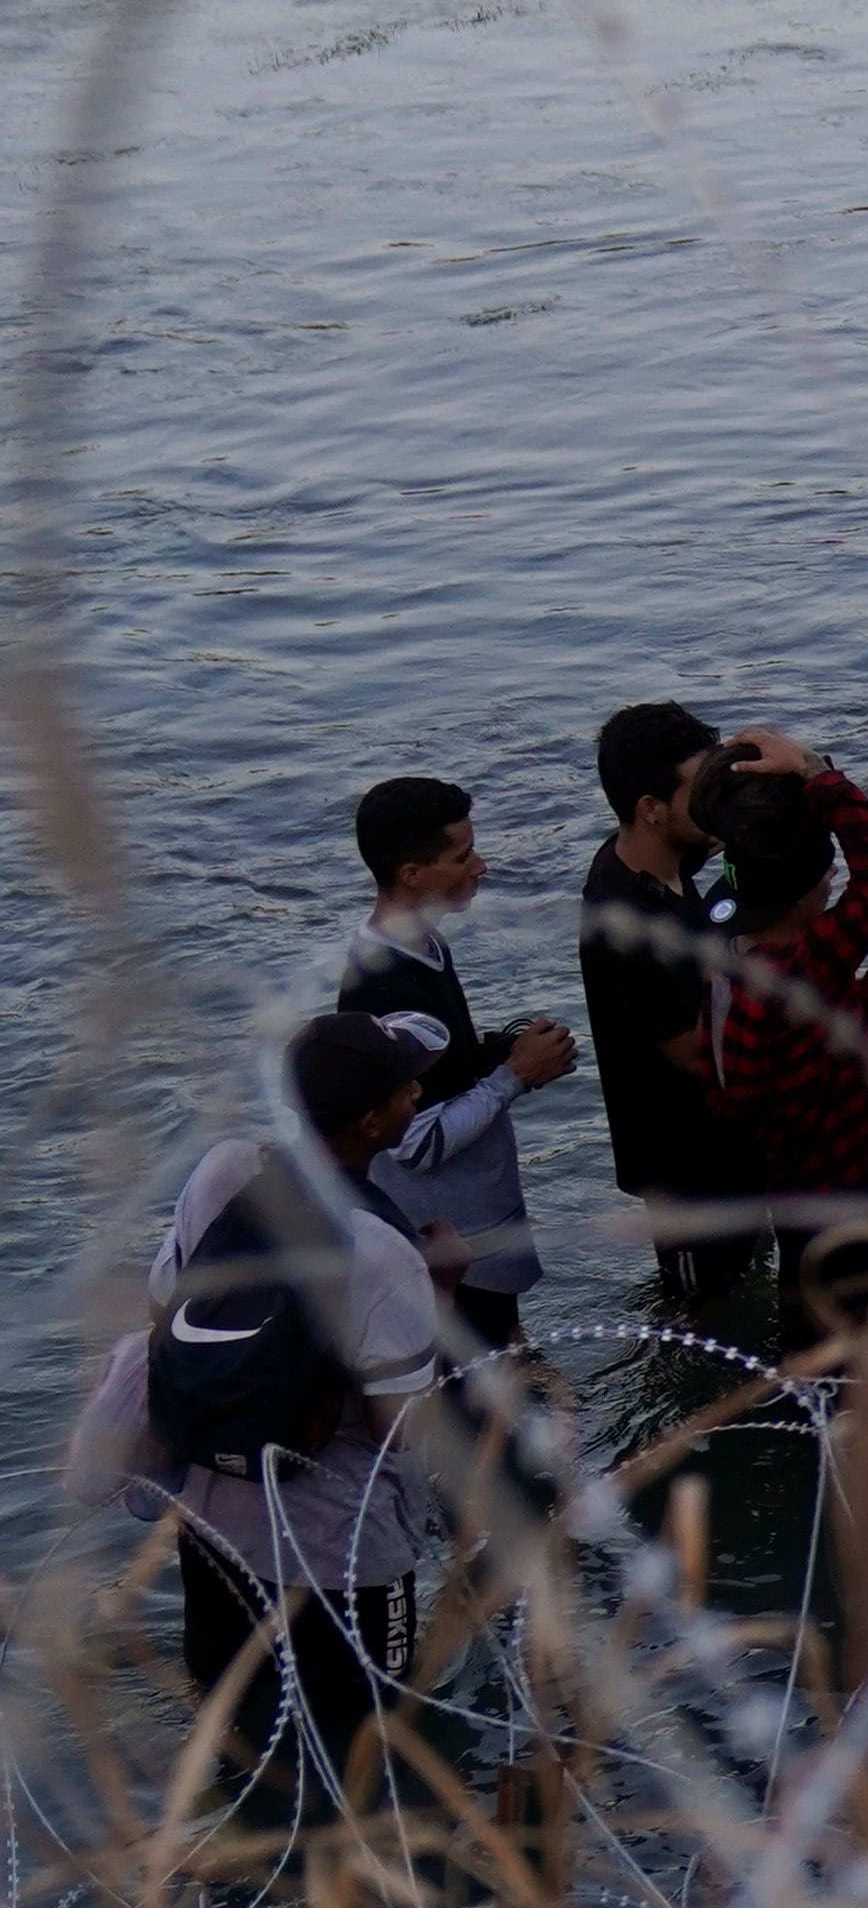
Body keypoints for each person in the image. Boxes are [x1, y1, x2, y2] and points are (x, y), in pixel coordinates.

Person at [71, 1015, 451, 1805]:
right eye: (404, 1086)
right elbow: (401, 1428)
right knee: (368, 1757)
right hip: (342, 1556)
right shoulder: (383, 1250)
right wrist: (440, 1290)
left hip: (215, 1535)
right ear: (372, 1122)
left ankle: (246, 1897)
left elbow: (160, 1318)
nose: (417, 1091)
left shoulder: (223, 1174)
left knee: (238, 1741)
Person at [693, 748, 868, 1352]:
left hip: (796, 1191)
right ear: (806, 898)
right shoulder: (805, 963)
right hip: (861, 1190)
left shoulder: (730, 951)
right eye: (827, 877)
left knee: (817, 1341)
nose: (835, 882)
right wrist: (814, 771)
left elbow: (808, 1040)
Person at [339, 776, 578, 1348]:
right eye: (462, 856)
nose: (481, 867)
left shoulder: (426, 948)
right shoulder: (384, 986)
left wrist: (504, 1051)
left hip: (476, 1235)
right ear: (412, 875)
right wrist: (514, 1076)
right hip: (451, 1247)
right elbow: (413, 1144)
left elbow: (443, 1074)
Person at [578, 701, 767, 1305]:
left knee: (749, 1280)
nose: (713, 804)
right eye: (699, 791)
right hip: (682, 1163)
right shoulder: (623, 920)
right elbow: (693, 1052)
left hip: (728, 1141)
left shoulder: (673, 858)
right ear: (649, 809)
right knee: (704, 1316)